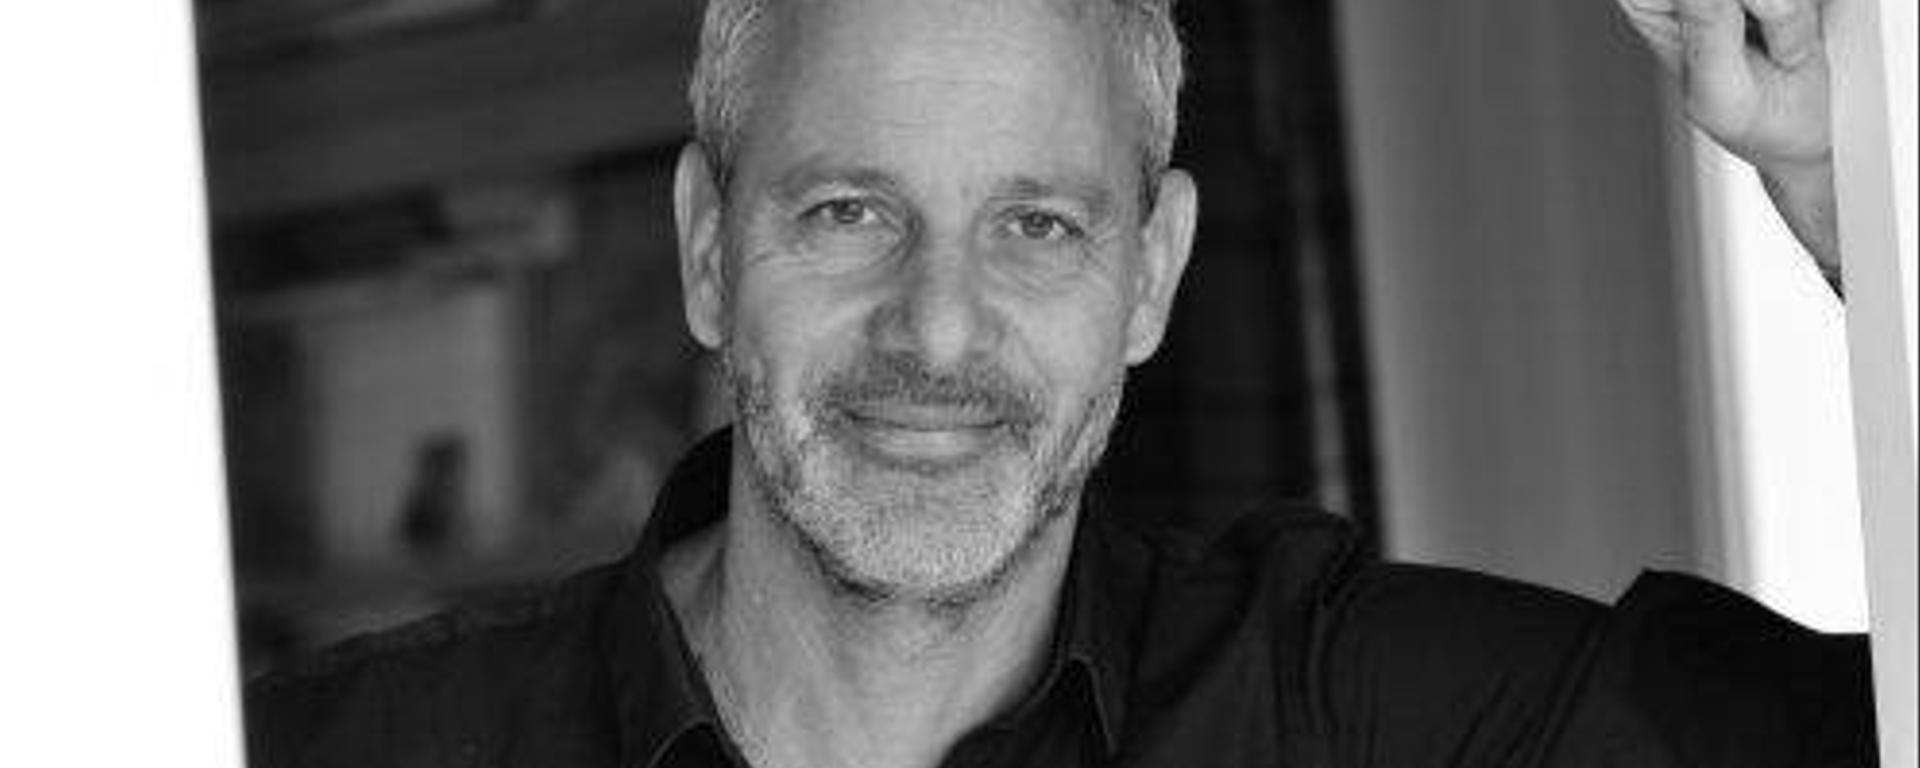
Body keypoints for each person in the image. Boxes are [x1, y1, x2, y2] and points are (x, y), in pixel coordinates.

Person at [246, 0, 1878, 765]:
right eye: (850, 211)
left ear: (1151, 274)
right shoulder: (329, 752)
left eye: (1036, 226)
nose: (939, 333)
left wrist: (1850, 190)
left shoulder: (1346, 719)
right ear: (707, 248)